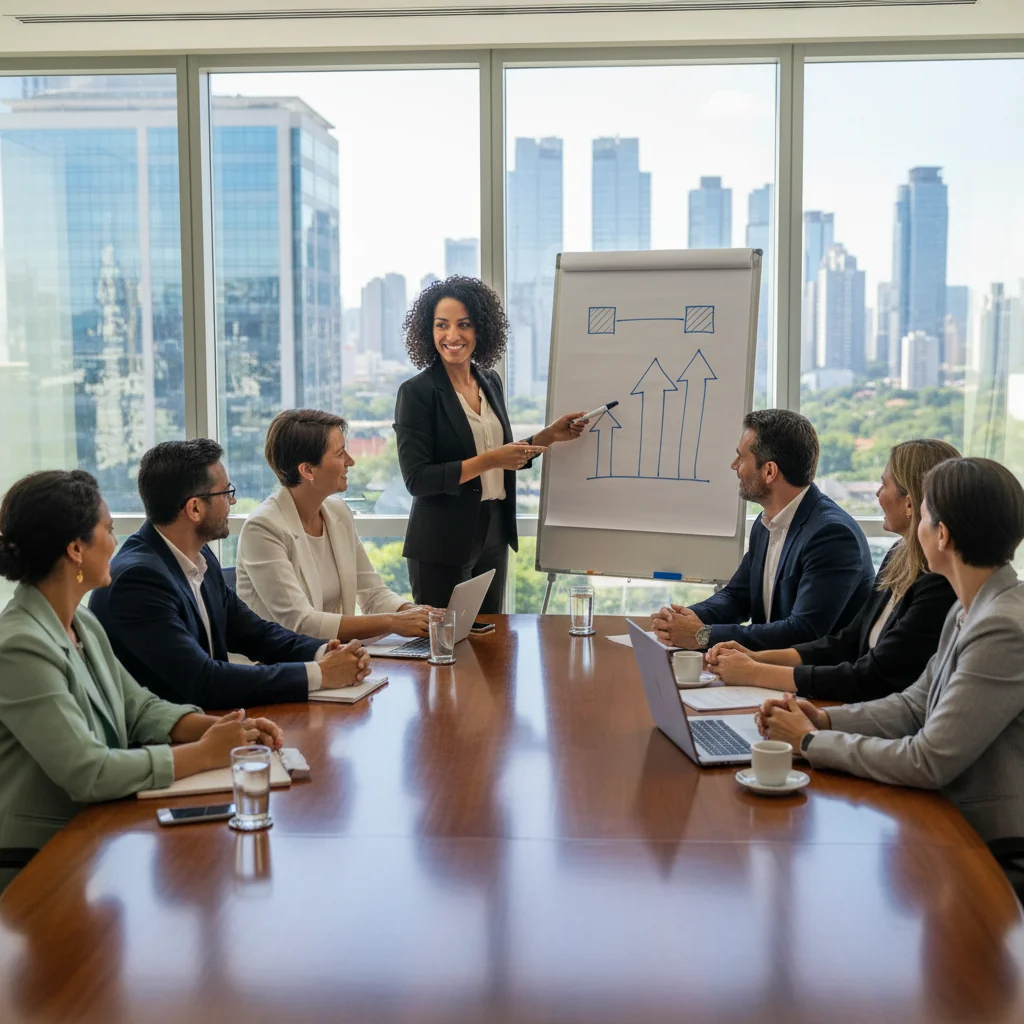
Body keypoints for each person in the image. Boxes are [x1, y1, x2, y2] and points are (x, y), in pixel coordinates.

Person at [0, 470, 283, 893]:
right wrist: (205, 754)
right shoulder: (20, 645)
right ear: (76, 549)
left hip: (97, 832)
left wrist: (222, 731)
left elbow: (139, 708)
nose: (117, 542)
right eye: (109, 530)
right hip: (42, 858)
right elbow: (89, 771)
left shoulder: (83, 623)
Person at [758, 457, 1024, 856]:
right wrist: (825, 719)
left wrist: (811, 742)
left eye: (924, 515)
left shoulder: (1000, 627)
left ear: (942, 535)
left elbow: (928, 759)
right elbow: (915, 706)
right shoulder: (969, 608)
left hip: (984, 841)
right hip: (941, 816)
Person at [89, 439, 372, 709]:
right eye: (226, 493)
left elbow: (253, 633)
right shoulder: (138, 581)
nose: (233, 503)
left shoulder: (199, 557)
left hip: (215, 723)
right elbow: (203, 680)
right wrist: (319, 674)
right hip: (170, 743)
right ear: (195, 508)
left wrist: (325, 652)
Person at [705, 438, 960, 702]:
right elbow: (847, 642)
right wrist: (754, 657)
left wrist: (756, 672)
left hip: (878, 716)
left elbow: (871, 675)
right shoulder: (899, 555)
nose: (877, 494)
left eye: (884, 485)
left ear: (910, 503)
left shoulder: (937, 583)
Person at [394, 276, 585, 612]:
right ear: (428, 331)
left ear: (481, 330)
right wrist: (492, 459)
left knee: (492, 644)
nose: (452, 336)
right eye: (442, 325)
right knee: (445, 646)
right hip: (442, 541)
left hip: (493, 529)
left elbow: (499, 451)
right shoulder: (417, 393)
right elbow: (417, 480)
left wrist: (548, 436)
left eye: (463, 325)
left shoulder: (489, 381)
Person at [652, 409, 874, 652]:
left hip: (814, 685)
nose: (734, 465)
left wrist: (702, 635)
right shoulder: (765, 522)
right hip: (764, 673)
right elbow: (737, 597)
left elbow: (803, 632)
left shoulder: (832, 535)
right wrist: (684, 618)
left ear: (769, 471)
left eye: (741, 458)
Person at [236, 408, 430, 641]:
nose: (350, 461)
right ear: (307, 470)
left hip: (334, 658)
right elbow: (301, 623)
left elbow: (373, 594)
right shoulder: (263, 528)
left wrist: (418, 614)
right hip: (280, 668)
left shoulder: (338, 512)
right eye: (339, 454)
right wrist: (393, 622)